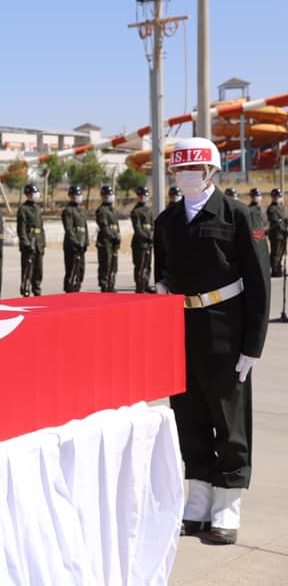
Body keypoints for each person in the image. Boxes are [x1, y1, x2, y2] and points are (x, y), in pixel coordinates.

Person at [154, 137, 269, 545]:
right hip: (182, 329)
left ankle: (227, 504)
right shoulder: (166, 221)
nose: (185, 176)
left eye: (193, 170)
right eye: (179, 170)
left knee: (229, 420)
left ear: (210, 172)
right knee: (190, 417)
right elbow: (163, 274)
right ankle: (199, 501)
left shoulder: (238, 215)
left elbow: (259, 283)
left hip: (226, 328)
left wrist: (252, 345)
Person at [17, 184, 46, 297]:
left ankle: (37, 291)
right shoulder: (23, 209)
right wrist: (26, 244)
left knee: (38, 271)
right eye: (34, 193)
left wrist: (43, 243)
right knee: (28, 271)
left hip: (38, 243)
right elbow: (21, 229)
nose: (36, 195)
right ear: (28, 195)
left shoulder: (37, 208)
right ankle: (26, 290)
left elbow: (41, 227)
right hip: (29, 243)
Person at [62, 185, 89, 293]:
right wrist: (76, 243)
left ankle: (77, 289)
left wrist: (86, 242)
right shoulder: (68, 211)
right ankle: (69, 291)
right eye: (76, 195)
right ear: (70, 196)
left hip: (81, 244)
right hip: (72, 246)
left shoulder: (81, 211)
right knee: (71, 270)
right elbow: (69, 229)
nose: (78, 196)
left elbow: (85, 228)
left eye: (79, 194)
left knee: (80, 270)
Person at [130, 186, 155, 294]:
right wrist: (147, 237)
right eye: (141, 195)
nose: (143, 197)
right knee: (140, 266)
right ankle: (139, 287)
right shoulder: (135, 211)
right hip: (139, 243)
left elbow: (152, 225)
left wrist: (152, 236)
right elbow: (138, 228)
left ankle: (146, 284)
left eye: (145, 195)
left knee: (147, 266)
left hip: (148, 243)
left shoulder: (149, 210)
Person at [96, 184, 120, 293]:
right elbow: (104, 227)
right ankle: (104, 286)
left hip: (114, 242)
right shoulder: (101, 210)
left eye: (111, 194)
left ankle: (111, 285)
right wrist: (113, 236)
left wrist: (118, 237)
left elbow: (116, 226)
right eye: (108, 195)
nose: (110, 196)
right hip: (105, 242)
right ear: (103, 196)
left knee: (113, 266)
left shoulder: (113, 210)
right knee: (106, 265)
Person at [267, 188, 285, 277]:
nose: (279, 198)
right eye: (277, 196)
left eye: (280, 196)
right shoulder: (272, 208)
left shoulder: (280, 207)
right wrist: (284, 228)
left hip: (282, 234)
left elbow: (283, 219)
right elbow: (276, 222)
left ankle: (279, 269)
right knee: (276, 253)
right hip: (276, 234)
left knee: (281, 252)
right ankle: (275, 270)